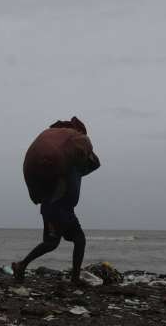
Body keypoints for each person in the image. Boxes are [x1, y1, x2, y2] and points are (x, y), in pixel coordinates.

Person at [13, 117, 100, 285]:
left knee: (55, 242)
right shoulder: (67, 164)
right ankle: (73, 278)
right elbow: (94, 163)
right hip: (59, 208)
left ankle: (21, 265)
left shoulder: (68, 163)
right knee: (73, 241)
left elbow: (91, 165)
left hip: (55, 208)